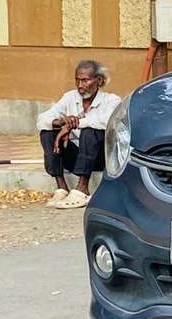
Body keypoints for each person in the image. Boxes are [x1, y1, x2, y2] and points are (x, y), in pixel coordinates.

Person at [36, 60, 121, 209]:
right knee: (48, 131)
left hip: (100, 158)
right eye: (77, 80)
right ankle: (61, 187)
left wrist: (72, 125)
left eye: (85, 80)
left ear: (99, 80)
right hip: (78, 158)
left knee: (90, 130)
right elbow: (42, 119)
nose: (80, 85)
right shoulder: (70, 97)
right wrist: (61, 122)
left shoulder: (111, 100)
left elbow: (105, 121)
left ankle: (82, 188)